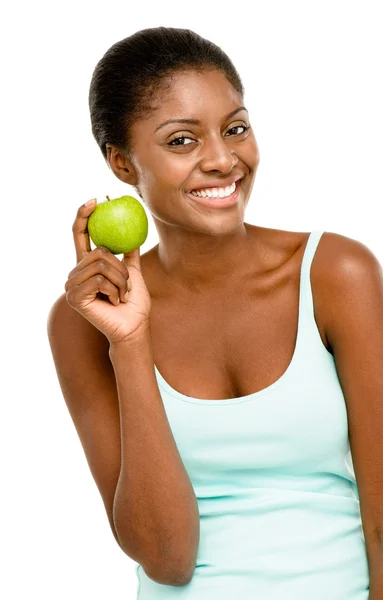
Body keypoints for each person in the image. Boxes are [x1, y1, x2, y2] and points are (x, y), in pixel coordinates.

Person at [46, 27, 383, 599]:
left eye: (235, 128)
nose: (223, 160)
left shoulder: (336, 274)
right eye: (182, 141)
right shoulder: (85, 318)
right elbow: (167, 559)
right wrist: (129, 342)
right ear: (123, 164)